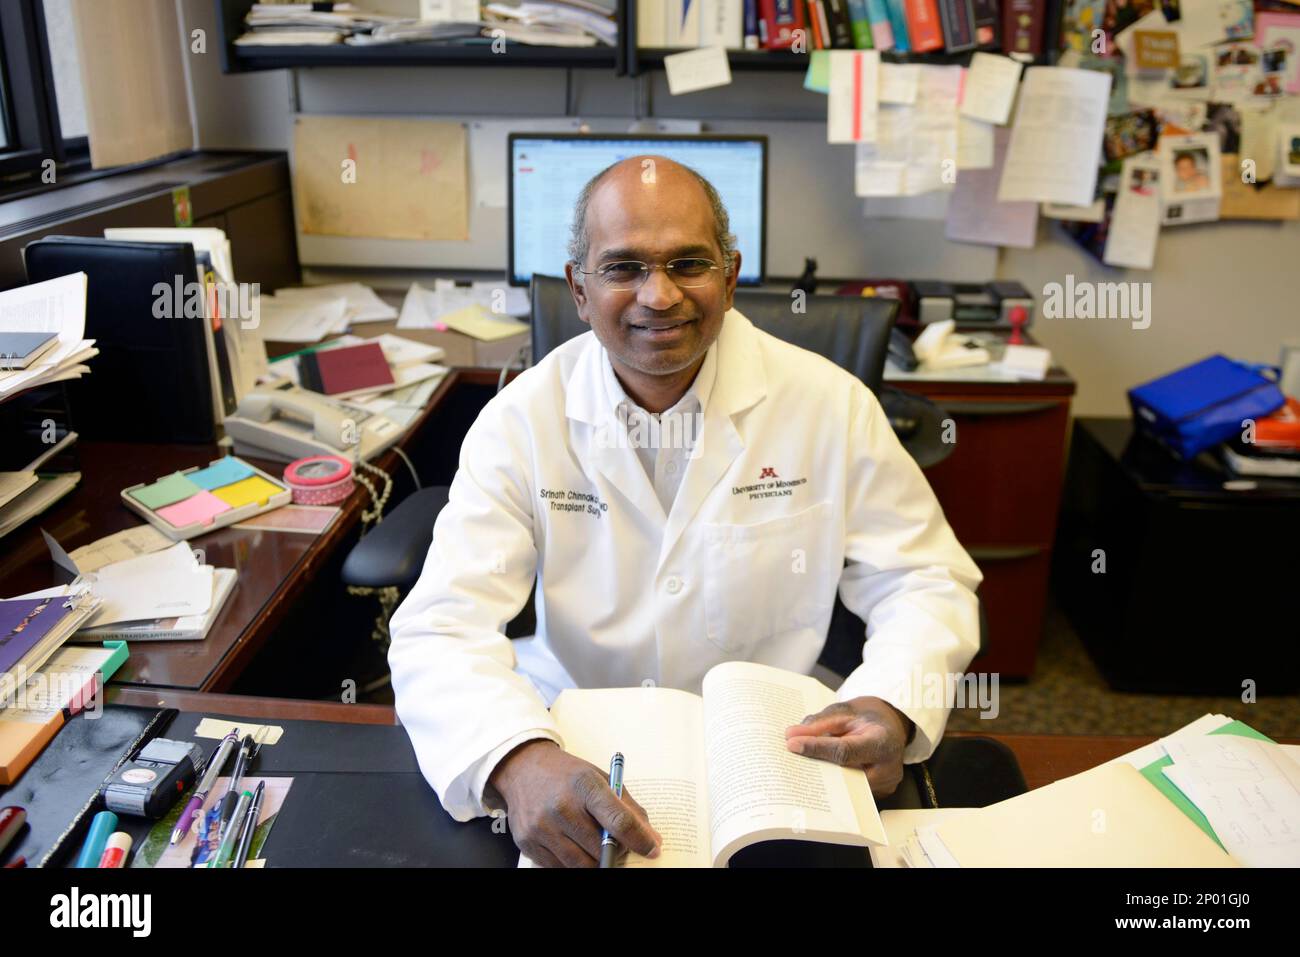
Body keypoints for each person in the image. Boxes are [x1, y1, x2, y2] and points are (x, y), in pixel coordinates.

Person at [388, 156, 982, 867]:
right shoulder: (521, 420)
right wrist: (515, 757)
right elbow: (439, 625)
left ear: (730, 277)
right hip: (573, 738)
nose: (659, 295)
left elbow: (924, 579)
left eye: (688, 263)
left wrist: (890, 702)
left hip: (778, 751)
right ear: (580, 288)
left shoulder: (830, 405)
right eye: (624, 267)